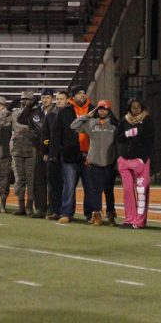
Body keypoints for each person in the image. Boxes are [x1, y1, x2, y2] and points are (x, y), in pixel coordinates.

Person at [70, 99, 119, 226]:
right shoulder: (91, 123)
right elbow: (73, 125)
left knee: (109, 190)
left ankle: (110, 213)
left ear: (109, 110)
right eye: (100, 109)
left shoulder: (115, 125)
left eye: (104, 109)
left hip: (109, 163)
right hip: (94, 163)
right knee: (95, 191)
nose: (102, 111)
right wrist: (86, 116)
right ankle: (97, 214)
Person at [52, 85, 93, 224]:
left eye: (84, 93)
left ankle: (90, 214)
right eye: (79, 93)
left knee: (90, 186)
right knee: (69, 186)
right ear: (73, 96)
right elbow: (56, 133)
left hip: (89, 154)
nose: (82, 95)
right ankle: (66, 212)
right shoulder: (65, 112)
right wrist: (55, 153)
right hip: (70, 154)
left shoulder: (93, 110)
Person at [116, 98, 156, 229]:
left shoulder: (147, 121)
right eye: (133, 107)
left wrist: (142, 159)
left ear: (142, 107)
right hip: (125, 160)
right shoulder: (124, 120)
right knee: (127, 190)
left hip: (140, 161)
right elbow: (118, 138)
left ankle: (139, 221)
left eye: (138, 107)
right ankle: (129, 218)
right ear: (129, 108)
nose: (136, 109)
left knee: (141, 191)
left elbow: (149, 141)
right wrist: (127, 134)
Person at [18, 87, 55, 218]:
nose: (45, 100)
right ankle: (41, 209)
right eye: (43, 97)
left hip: (52, 148)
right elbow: (20, 119)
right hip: (37, 148)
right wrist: (30, 104)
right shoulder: (35, 112)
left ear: (52, 99)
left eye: (48, 97)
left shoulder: (56, 112)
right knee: (38, 179)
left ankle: (52, 208)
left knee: (52, 179)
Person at [10, 90, 36, 216]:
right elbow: (4, 121)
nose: (24, 101)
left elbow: (25, 128)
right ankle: (21, 206)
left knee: (31, 180)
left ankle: (29, 206)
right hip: (17, 150)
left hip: (31, 150)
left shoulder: (35, 114)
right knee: (19, 179)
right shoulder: (15, 113)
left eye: (27, 99)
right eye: (22, 99)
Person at [42, 91, 67, 220]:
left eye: (61, 99)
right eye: (57, 99)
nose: (59, 101)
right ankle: (55, 210)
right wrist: (46, 151)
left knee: (67, 185)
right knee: (54, 185)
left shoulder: (71, 114)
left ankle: (66, 211)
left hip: (68, 155)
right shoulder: (50, 115)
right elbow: (45, 135)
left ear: (67, 100)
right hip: (54, 155)